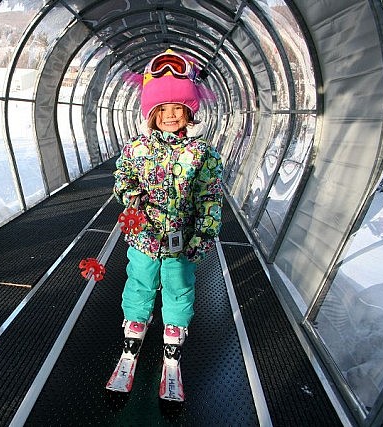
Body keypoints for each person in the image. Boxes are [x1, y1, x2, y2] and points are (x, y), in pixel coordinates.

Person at [112, 50, 223, 400]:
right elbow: (123, 179)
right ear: (152, 113)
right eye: (163, 109)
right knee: (140, 280)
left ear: (190, 113)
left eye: (178, 108)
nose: (171, 115)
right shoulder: (136, 150)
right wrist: (132, 198)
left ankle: (173, 337)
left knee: (178, 284)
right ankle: (134, 329)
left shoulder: (203, 154)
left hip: (181, 238)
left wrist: (204, 233)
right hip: (144, 235)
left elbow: (210, 196)